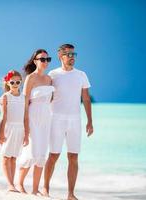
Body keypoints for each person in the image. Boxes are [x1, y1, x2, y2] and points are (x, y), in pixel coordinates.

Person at [43, 44, 94, 200]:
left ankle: (71, 194)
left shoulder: (81, 75)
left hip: (75, 120)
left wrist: (90, 121)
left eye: (73, 54)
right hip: (56, 119)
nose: (71, 57)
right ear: (60, 56)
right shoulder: (52, 74)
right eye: (68, 54)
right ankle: (45, 188)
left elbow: (85, 98)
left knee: (73, 157)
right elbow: (46, 97)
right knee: (53, 155)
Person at [18, 49, 54, 195]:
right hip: (32, 117)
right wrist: (25, 127)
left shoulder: (49, 79)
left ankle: (34, 189)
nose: (45, 62)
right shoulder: (30, 78)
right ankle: (19, 184)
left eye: (47, 59)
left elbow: (51, 101)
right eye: (42, 59)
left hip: (46, 118)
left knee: (41, 155)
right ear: (35, 61)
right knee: (31, 152)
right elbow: (25, 103)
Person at [0, 70, 27, 192]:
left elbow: (25, 117)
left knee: (14, 157)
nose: (15, 84)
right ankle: (9, 184)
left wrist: (27, 134)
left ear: (21, 82)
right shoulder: (6, 96)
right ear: (8, 83)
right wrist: (0, 133)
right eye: (12, 82)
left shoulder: (23, 97)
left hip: (20, 129)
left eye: (18, 82)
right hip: (8, 128)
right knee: (6, 156)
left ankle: (13, 183)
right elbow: (3, 116)